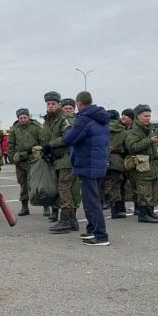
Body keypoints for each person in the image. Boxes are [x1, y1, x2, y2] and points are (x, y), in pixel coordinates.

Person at [63, 92, 110, 245]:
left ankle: (101, 235)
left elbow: (70, 139)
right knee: (92, 198)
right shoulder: (101, 118)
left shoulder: (83, 118)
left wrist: (67, 129)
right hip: (99, 163)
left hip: (87, 164)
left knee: (92, 202)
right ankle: (92, 229)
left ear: (79, 103)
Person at [42, 91, 80, 233]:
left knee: (64, 188)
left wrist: (51, 145)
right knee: (63, 188)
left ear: (59, 105)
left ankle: (65, 220)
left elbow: (69, 136)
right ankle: (71, 221)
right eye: (48, 104)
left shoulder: (65, 118)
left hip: (67, 158)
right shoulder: (48, 121)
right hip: (57, 159)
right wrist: (47, 151)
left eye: (53, 104)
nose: (50, 106)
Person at [125, 105, 158, 223]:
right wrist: (150, 141)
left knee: (154, 191)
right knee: (144, 191)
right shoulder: (133, 131)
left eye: (149, 116)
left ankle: (150, 212)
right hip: (142, 165)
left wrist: (155, 142)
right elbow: (132, 147)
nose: (148, 118)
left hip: (153, 165)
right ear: (138, 116)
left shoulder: (149, 129)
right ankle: (143, 214)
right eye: (145, 116)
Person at [8, 108, 43, 217]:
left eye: (25, 117)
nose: (23, 120)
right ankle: (24, 207)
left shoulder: (36, 127)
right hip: (20, 162)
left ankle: (46, 206)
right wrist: (12, 158)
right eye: (20, 118)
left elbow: (42, 142)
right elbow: (11, 145)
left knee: (39, 184)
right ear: (17, 118)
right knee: (23, 184)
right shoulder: (14, 129)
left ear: (28, 117)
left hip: (34, 160)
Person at [104, 110, 128, 219]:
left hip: (101, 158)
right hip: (117, 159)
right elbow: (126, 147)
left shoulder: (101, 128)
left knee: (101, 183)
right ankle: (116, 210)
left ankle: (101, 205)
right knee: (115, 185)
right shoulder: (123, 131)